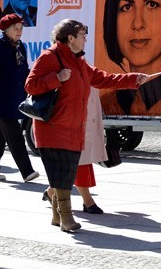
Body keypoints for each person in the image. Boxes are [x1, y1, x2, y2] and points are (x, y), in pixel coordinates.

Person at [26, 19, 147, 233]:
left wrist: (133, 79)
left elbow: (104, 79)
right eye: (82, 35)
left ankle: (57, 216)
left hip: (74, 127)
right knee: (61, 173)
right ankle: (66, 218)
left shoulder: (79, 61)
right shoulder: (50, 57)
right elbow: (31, 85)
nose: (85, 39)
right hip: (53, 128)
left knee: (65, 172)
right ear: (70, 38)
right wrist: (56, 78)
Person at [0, 13, 39, 182]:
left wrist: (31, 88)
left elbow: (24, 71)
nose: (19, 31)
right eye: (15, 28)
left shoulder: (21, 47)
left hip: (15, 97)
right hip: (0, 98)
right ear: (6, 30)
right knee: (14, 134)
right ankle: (27, 171)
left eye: (21, 28)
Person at [42, 87, 108, 214]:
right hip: (70, 114)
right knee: (79, 160)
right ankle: (87, 201)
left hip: (86, 110)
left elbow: (99, 77)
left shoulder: (87, 68)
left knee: (82, 159)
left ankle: (52, 192)